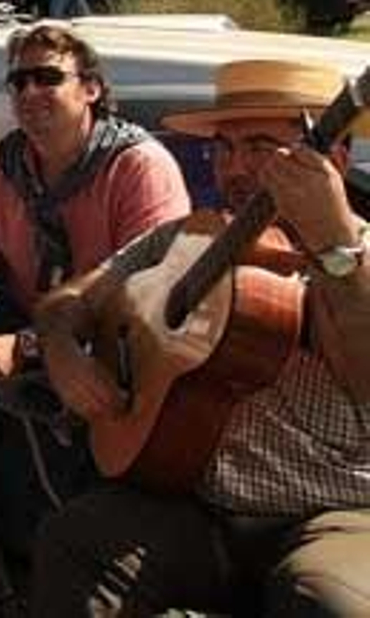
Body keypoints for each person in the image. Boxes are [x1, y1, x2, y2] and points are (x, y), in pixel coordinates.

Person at [32, 59, 370, 616]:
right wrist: (63, 350)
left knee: (325, 601)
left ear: (331, 158)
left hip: (333, 515)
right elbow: (71, 301)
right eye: (223, 147)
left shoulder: (359, 255)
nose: (234, 168)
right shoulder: (185, 239)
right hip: (196, 508)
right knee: (73, 538)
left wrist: (335, 248)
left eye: (260, 146)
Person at [0, 23, 190, 614]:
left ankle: (26, 551)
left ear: (92, 89)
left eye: (48, 77)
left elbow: (151, 296)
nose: (29, 92)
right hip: (38, 323)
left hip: (122, 339)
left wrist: (26, 347)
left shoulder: (137, 167)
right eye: (18, 81)